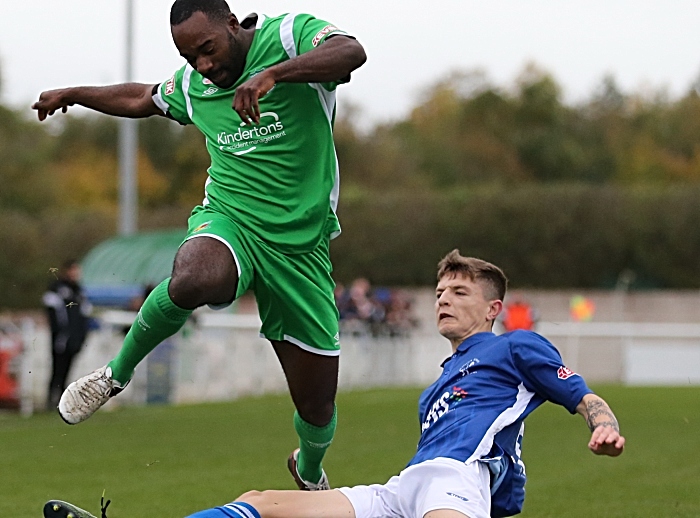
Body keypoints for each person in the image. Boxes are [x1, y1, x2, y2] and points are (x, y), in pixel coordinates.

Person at [32, 0, 366, 490]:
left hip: (300, 251)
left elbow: (351, 52)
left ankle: (310, 470)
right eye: (190, 58)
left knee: (317, 406)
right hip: (231, 219)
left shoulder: (291, 36)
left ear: (232, 24)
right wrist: (77, 93)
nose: (203, 66)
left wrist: (273, 75)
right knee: (195, 277)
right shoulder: (196, 86)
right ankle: (114, 375)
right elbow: (142, 97)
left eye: (207, 50)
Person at [44, 250, 625, 518]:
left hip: (457, 488)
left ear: (494, 307)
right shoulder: (445, 375)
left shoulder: (515, 345)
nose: (444, 300)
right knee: (259, 504)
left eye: (460, 292)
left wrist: (604, 426)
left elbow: (584, 396)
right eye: (441, 292)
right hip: (408, 488)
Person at [42, 260, 93, 411]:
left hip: (75, 339)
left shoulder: (79, 291)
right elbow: (54, 312)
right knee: (57, 368)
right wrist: (61, 332)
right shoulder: (56, 288)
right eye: (73, 270)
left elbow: (85, 314)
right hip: (61, 338)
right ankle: (52, 400)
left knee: (67, 369)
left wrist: (82, 335)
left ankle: (61, 402)